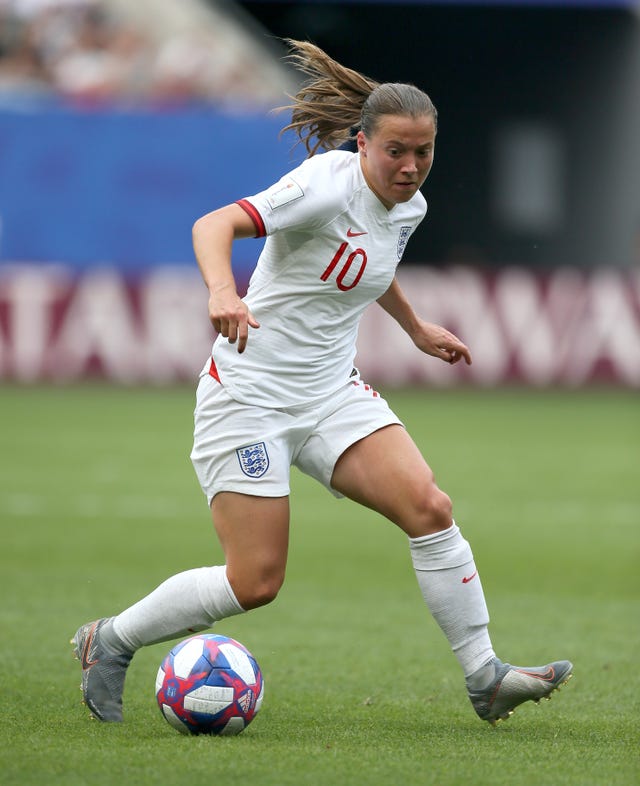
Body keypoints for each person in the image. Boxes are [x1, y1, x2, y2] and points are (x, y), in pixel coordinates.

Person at [71, 39, 572, 726]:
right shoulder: (324, 184)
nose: (411, 165)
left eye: (423, 151)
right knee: (256, 581)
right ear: (362, 143)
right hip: (249, 398)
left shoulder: (409, 206)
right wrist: (223, 292)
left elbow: (370, 262)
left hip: (330, 393)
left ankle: (485, 677)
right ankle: (110, 642)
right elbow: (213, 223)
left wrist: (415, 326)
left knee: (429, 508)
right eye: (396, 150)